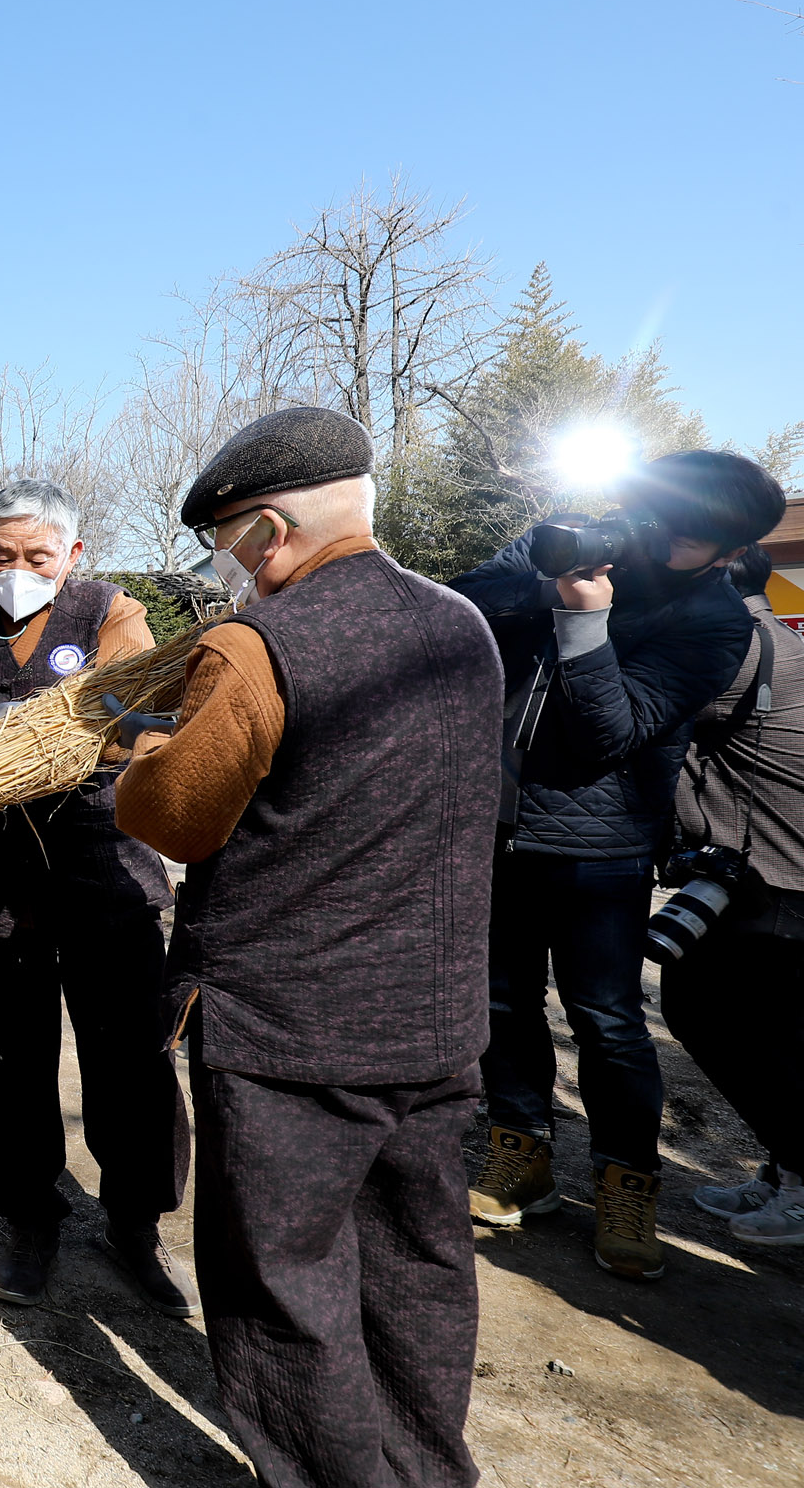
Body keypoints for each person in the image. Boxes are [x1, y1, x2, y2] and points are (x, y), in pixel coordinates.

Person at [115, 406, 500, 1488]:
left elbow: (177, 816)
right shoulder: (461, 624)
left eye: (227, 542)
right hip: (433, 1023)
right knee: (417, 1268)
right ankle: (426, 1471)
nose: (229, 566)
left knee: (284, 1284)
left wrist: (142, 752)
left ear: (269, 530)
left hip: (291, 1035)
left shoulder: (256, 646)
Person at [452, 450, 784, 1279]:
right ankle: (521, 1153)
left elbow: (612, 733)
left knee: (606, 1019)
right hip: (498, 826)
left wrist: (583, 621)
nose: (660, 540)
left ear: (731, 549)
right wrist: (547, 584)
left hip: (602, 849)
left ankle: (626, 1182)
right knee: (502, 1001)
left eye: (687, 537)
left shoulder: (716, 621)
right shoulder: (571, 541)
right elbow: (460, 603)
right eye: (656, 516)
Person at [0, 478, 193, 1314]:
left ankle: (135, 1223)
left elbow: (141, 714)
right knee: (3, 1057)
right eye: (1, 555)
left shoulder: (111, 612)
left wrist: (54, 735)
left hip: (103, 865)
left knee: (130, 1054)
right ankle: (28, 1218)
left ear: (73, 554)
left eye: (38, 556)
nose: (16, 569)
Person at [665, 543, 804, 1246]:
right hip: (777, 871)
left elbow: (624, 721)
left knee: (713, 1016)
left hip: (767, 880)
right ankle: (783, 1174)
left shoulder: (732, 647)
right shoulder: (779, 638)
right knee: (775, 1035)